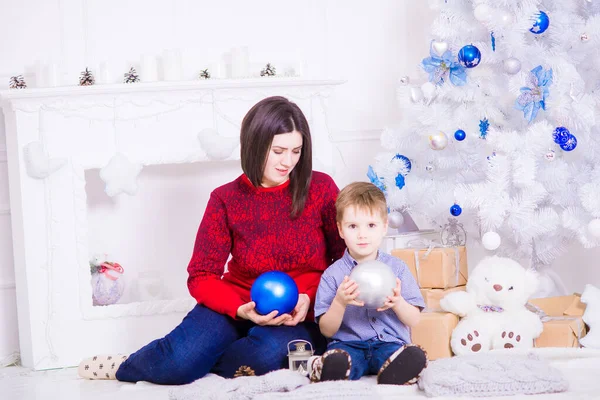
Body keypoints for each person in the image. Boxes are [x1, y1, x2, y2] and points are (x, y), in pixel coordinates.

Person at [77, 96, 346, 385]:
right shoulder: (225, 198)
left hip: (297, 311)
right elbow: (201, 275)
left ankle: (190, 360)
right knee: (179, 363)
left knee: (265, 356)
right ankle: (136, 364)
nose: (288, 161)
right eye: (278, 151)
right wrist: (240, 309)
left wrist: (311, 296)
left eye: (296, 151)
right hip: (238, 302)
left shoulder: (321, 188)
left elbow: (343, 259)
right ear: (254, 145)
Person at [311, 182, 427, 385]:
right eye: (353, 226)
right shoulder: (333, 274)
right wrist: (339, 302)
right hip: (349, 344)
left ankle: (398, 369)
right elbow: (326, 330)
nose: (362, 234)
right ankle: (335, 370)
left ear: (384, 227)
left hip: (389, 343)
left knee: (398, 353)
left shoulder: (397, 269)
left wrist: (398, 302)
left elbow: (414, 320)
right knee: (342, 357)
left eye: (371, 225)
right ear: (340, 230)